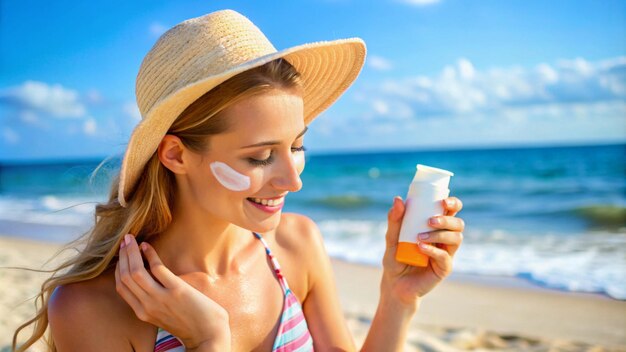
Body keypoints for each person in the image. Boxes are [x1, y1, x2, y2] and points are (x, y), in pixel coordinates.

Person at [12, 9, 465, 352]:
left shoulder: (296, 246)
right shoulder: (96, 306)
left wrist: (398, 297)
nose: (292, 180)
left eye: (297, 147)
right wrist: (208, 340)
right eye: (261, 156)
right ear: (175, 154)